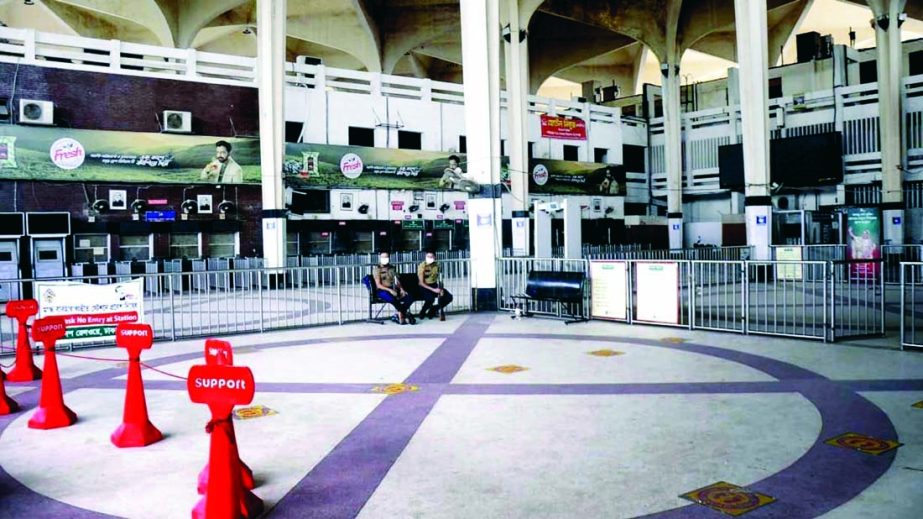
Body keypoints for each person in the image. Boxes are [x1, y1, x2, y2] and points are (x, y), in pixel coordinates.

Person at [372, 252, 416, 325]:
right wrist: (390, 290)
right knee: (392, 298)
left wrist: (402, 289)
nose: (384, 259)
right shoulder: (377, 269)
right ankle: (402, 316)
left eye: (386, 257)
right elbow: (378, 285)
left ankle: (399, 315)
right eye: (383, 257)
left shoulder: (392, 268)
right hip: (382, 290)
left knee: (409, 297)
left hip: (393, 288)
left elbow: (397, 280)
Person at [417, 250, 453, 320]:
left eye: (431, 256)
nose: (429, 258)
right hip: (424, 286)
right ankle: (423, 312)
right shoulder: (422, 266)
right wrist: (434, 290)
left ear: (435, 257)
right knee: (430, 299)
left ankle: (433, 309)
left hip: (434, 285)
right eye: (428, 256)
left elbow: (440, 278)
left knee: (449, 297)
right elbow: (421, 283)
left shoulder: (437, 265)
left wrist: (441, 288)